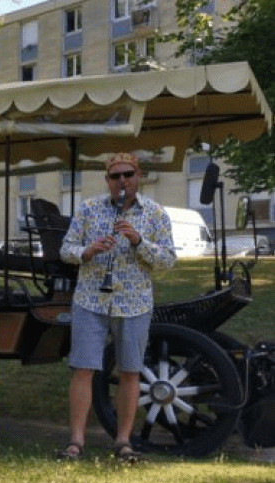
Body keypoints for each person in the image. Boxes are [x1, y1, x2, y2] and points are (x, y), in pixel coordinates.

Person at [58, 152, 176, 463]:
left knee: (130, 371)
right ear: (108, 180)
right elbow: (65, 250)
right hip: (90, 299)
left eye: (128, 175)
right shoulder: (88, 209)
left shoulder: (155, 213)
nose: (122, 181)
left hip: (134, 302)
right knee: (83, 369)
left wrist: (139, 241)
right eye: (115, 176)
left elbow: (167, 260)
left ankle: (123, 441)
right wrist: (88, 250)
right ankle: (75, 442)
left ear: (139, 176)